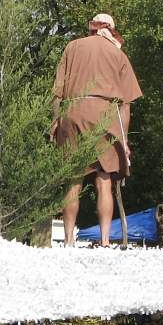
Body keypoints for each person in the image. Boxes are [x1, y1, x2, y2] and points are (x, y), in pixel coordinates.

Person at [51, 13, 143, 247]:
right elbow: (125, 105)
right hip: (104, 114)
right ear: (111, 29)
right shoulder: (117, 53)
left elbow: (57, 93)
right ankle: (104, 240)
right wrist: (123, 141)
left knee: (73, 180)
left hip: (72, 112)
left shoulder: (72, 47)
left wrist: (55, 123)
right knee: (104, 181)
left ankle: (69, 240)